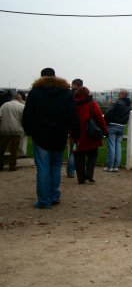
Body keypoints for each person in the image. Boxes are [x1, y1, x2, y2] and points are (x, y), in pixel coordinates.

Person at [22, 68, 80, 209]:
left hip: (40, 134)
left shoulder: (35, 93)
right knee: (56, 167)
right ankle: (54, 196)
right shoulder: (66, 93)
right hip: (60, 135)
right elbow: (73, 115)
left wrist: (30, 131)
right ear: (55, 76)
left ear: (41, 77)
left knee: (42, 168)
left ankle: (44, 200)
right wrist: (75, 133)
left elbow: (27, 115)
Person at [72, 86, 107, 184]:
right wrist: (105, 131)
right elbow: (100, 119)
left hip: (76, 137)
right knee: (93, 154)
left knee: (77, 155)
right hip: (91, 135)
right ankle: (89, 174)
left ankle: (80, 177)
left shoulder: (72, 104)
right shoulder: (92, 104)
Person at [104, 89, 131, 172]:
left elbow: (108, 112)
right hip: (121, 126)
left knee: (111, 146)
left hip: (113, 125)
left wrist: (108, 121)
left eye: (119, 94)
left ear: (122, 95)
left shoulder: (117, 103)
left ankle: (110, 166)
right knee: (118, 147)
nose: (118, 95)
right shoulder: (129, 105)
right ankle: (116, 167)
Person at [0, 92, 25, 171]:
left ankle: (0, 166)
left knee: (1, 149)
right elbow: (24, 119)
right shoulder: (22, 106)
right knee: (14, 150)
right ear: (20, 99)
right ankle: (12, 167)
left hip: (4, 129)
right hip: (16, 130)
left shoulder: (4, 105)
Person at [66, 78, 83, 178]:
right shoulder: (84, 97)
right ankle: (73, 169)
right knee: (76, 148)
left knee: (73, 148)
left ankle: (71, 170)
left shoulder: (69, 95)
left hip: (71, 126)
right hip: (80, 126)